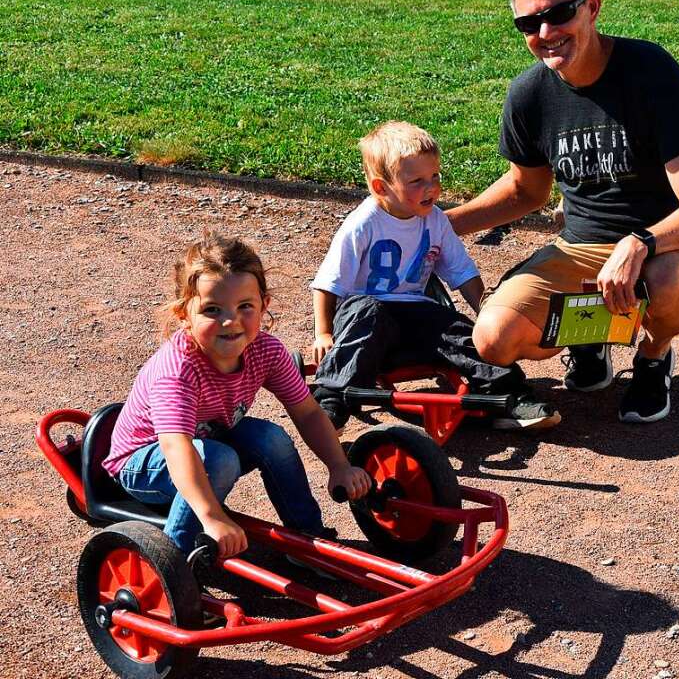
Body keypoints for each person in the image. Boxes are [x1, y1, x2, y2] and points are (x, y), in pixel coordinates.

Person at [447, 0, 679, 425]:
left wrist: (639, 243)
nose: (546, 32)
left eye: (559, 14)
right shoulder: (529, 94)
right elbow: (525, 192)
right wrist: (437, 224)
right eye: (528, 23)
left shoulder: (649, 71)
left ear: (592, 7)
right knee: (492, 340)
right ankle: (589, 336)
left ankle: (654, 358)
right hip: (579, 249)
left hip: (669, 245)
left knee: (664, 281)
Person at [102, 233, 372, 559]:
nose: (230, 321)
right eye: (212, 309)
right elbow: (176, 446)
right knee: (218, 459)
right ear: (183, 314)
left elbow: (309, 413)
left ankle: (308, 540)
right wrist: (212, 517)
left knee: (271, 437)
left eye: (245, 306)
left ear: (264, 305)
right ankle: (175, 562)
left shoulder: (266, 351)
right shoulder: (178, 369)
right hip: (144, 461)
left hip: (212, 441)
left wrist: (339, 465)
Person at [309, 120, 560, 430]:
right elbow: (329, 281)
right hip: (365, 317)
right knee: (368, 312)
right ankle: (331, 401)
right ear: (381, 187)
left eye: (435, 176)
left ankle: (509, 395)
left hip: (415, 314)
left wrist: (485, 312)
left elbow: (461, 271)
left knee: (458, 330)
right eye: (416, 181)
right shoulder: (363, 223)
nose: (431, 187)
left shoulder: (436, 221)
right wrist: (323, 332)